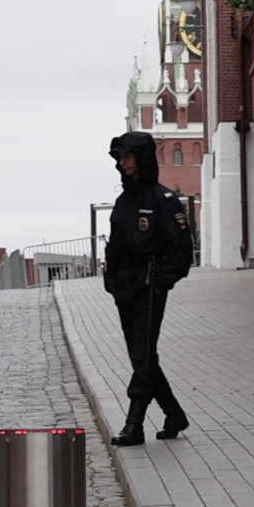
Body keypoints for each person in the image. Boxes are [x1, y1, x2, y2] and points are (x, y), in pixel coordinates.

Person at [103, 130, 194, 447]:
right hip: (125, 286)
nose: (122, 162)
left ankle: (134, 423)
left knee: (142, 355)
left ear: (141, 158)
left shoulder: (163, 201)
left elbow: (182, 251)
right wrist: (111, 280)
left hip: (150, 285)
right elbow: (114, 246)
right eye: (119, 158)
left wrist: (161, 282)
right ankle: (174, 413)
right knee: (141, 357)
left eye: (127, 156)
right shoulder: (123, 202)